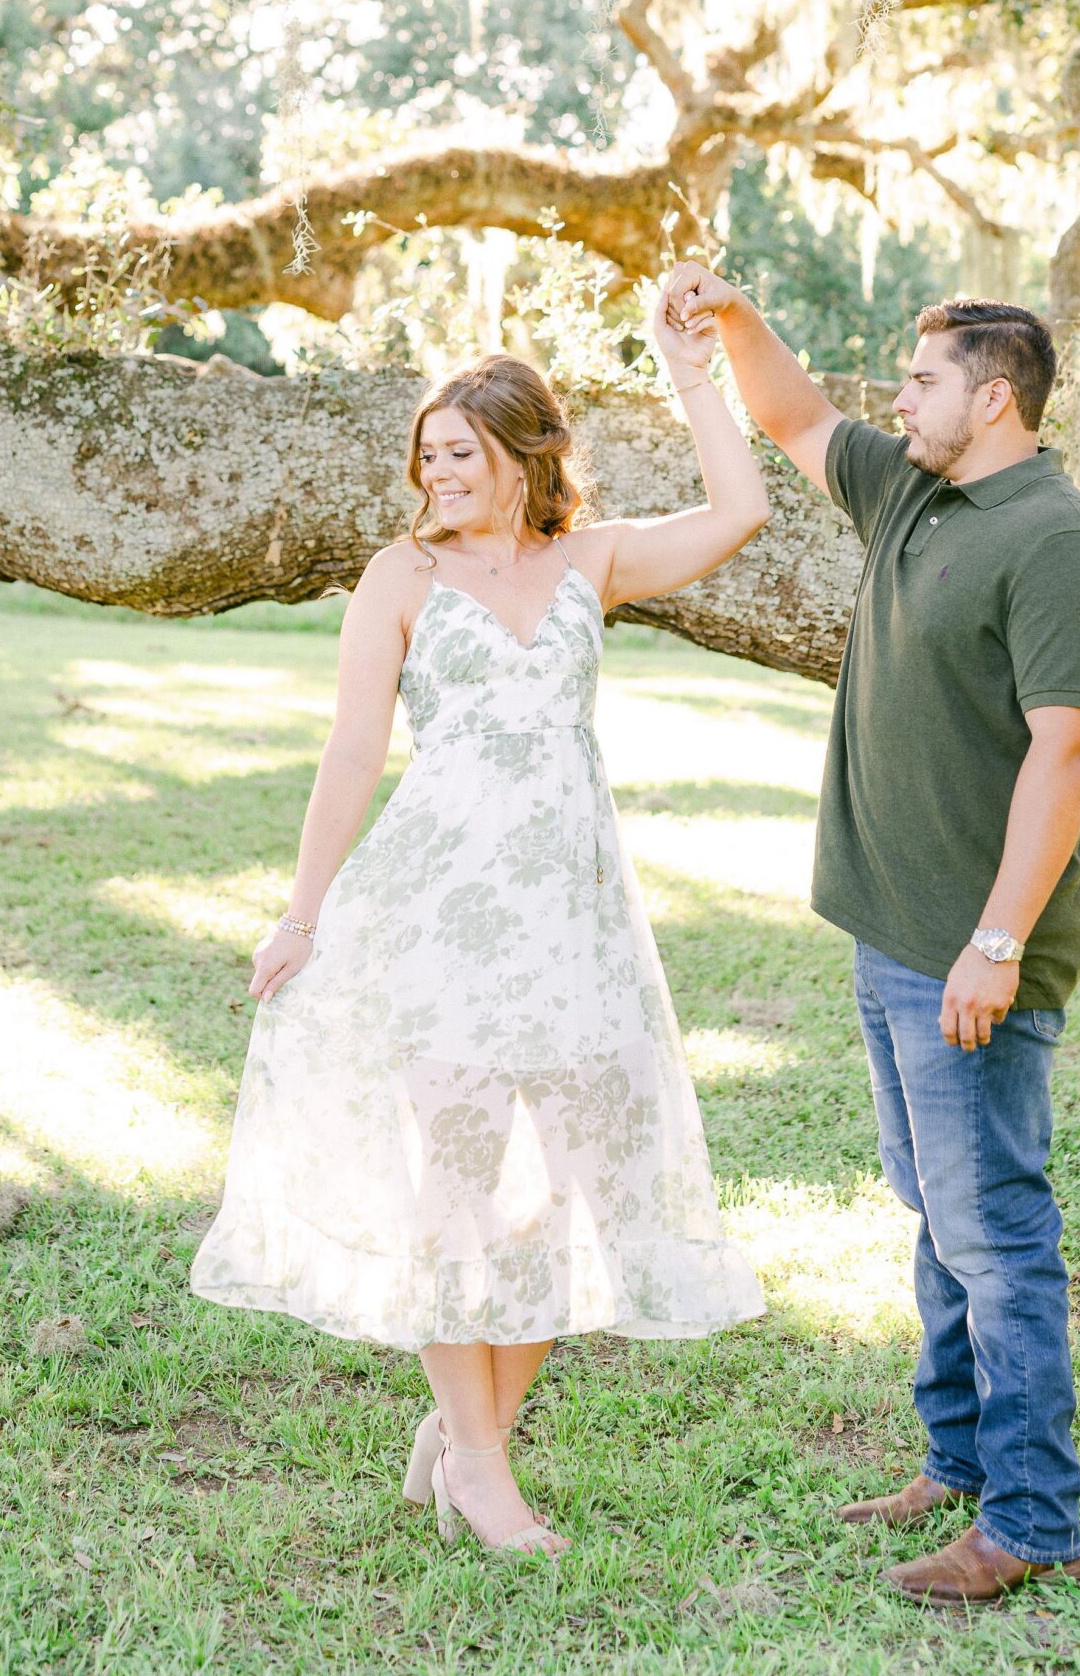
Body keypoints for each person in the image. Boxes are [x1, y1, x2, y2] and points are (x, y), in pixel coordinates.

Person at [191, 297, 769, 1555]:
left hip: (570, 916)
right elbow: (352, 749)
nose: (437, 472)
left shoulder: (591, 562)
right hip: (436, 910)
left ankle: (465, 1437)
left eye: (461, 451)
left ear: (522, 457)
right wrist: (301, 913)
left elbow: (740, 514)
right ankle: (478, 1460)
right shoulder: (399, 577)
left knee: (564, 1186)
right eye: (428, 453)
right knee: (455, 1185)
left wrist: (691, 373)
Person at [666, 268, 1080, 1608]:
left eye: (922, 380)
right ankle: (955, 1459)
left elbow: (1065, 756)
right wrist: (731, 320)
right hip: (889, 933)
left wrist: (994, 944)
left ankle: (1032, 1523)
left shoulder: (1059, 545)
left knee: (991, 1230)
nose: (896, 397)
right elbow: (792, 415)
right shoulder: (914, 485)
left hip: (972, 951)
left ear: (993, 401)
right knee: (933, 1215)